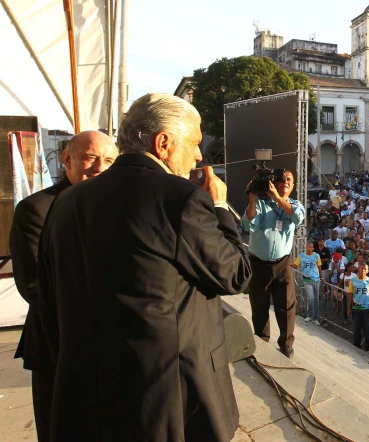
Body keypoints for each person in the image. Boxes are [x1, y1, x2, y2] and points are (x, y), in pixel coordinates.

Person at [37, 94, 252, 442]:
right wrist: (221, 205)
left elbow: (48, 301)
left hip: (85, 395)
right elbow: (236, 274)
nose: (198, 155)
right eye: (194, 142)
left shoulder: (65, 202)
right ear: (164, 142)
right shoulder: (179, 199)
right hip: (167, 400)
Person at [10, 130, 117, 442]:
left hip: (111, 348)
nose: (99, 167)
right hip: (56, 344)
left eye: (109, 160)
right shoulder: (36, 209)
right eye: (90, 157)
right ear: (67, 159)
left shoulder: (116, 208)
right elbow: (34, 285)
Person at [243, 164, 306, 359]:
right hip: (259, 263)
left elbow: (297, 217)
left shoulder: (295, 204)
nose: (285, 181)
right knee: (259, 305)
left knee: (286, 306)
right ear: (273, 182)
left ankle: (286, 345)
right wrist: (252, 198)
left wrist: (278, 199)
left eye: (289, 179)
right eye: (282, 178)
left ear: (293, 185)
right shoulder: (261, 203)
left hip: (283, 263)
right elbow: (248, 224)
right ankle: (261, 341)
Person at [347, 260, 369, 353]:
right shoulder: (353, 280)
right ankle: (357, 345)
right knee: (356, 328)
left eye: (365, 269)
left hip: (367, 308)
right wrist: (349, 308)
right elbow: (350, 294)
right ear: (358, 269)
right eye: (362, 268)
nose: (363, 270)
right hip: (356, 308)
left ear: (367, 271)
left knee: (368, 329)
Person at [296, 241, 322, 325]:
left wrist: (321, 277)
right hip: (307, 280)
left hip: (316, 280)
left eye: (311, 247)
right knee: (311, 298)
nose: (309, 249)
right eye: (308, 247)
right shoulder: (301, 256)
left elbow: (319, 267)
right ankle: (310, 315)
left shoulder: (316, 256)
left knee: (316, 299)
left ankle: (316, 318)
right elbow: (295, 265)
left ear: (313, 248)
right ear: (306, 247)